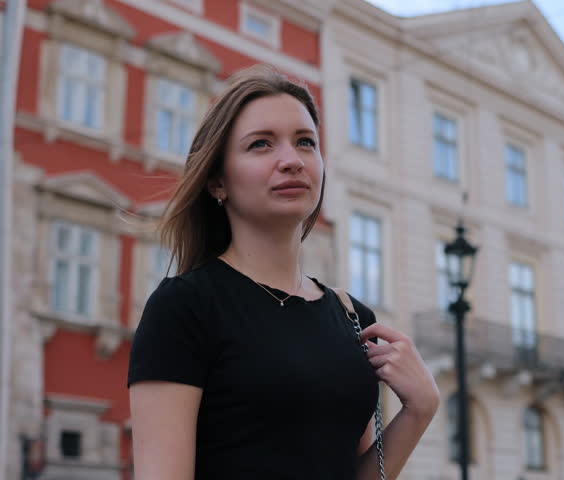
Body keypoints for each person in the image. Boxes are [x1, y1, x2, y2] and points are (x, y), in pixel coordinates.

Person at [127, 64, 440, 479]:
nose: (292, 160)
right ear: (218, 181)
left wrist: (419, 411)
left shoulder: (353, 317)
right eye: (261, 144)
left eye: (305, 142)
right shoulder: (185, 306)